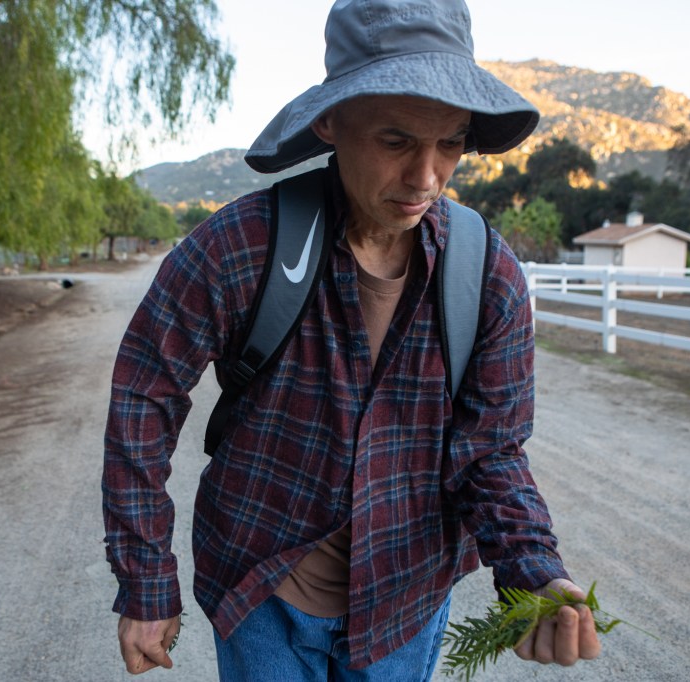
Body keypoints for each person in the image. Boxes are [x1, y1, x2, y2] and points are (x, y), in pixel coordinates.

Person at [102, 0, 601, 678]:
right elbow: (143, 398)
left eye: (450, 143)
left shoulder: (488, 274)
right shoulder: (237, 247)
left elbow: (489, 449)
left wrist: (535, 572)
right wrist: (145, 579)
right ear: (331, 122)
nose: (426, 177)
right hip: (261, 586)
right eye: (395, 141)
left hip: (406, 597)